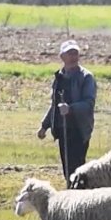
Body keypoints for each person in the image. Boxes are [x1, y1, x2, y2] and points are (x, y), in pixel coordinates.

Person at [37, 39, 97, 187]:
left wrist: (70, 108)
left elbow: (89, 103)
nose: (73, 56)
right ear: (62, 56)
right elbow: (54, 105)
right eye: (70, 53)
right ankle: (72, 193)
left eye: (75, 53)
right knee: (67, 167)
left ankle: (79, 196)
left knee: (77, 168)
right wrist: (45, 126)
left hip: (78, 129)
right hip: (62, 129)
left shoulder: (86, 77)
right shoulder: (59, 77)